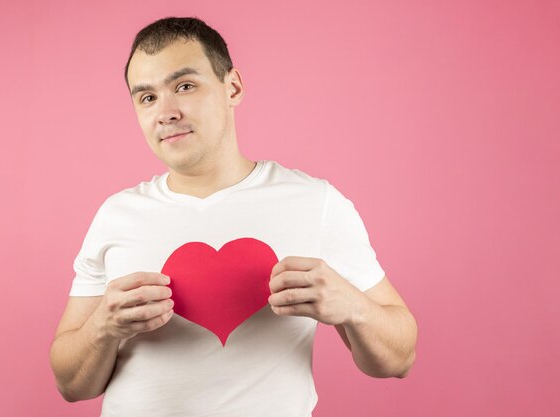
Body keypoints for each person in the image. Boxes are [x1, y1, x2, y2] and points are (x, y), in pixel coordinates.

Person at [49, 16, 417, 417]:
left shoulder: (315, 202)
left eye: (184, 86)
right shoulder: (116, 215)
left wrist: (353, 308)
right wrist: (104, 326)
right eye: (147, 97)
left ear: (233, 87)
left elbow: (399, 360)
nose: (165, 112)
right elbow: (71, 385)